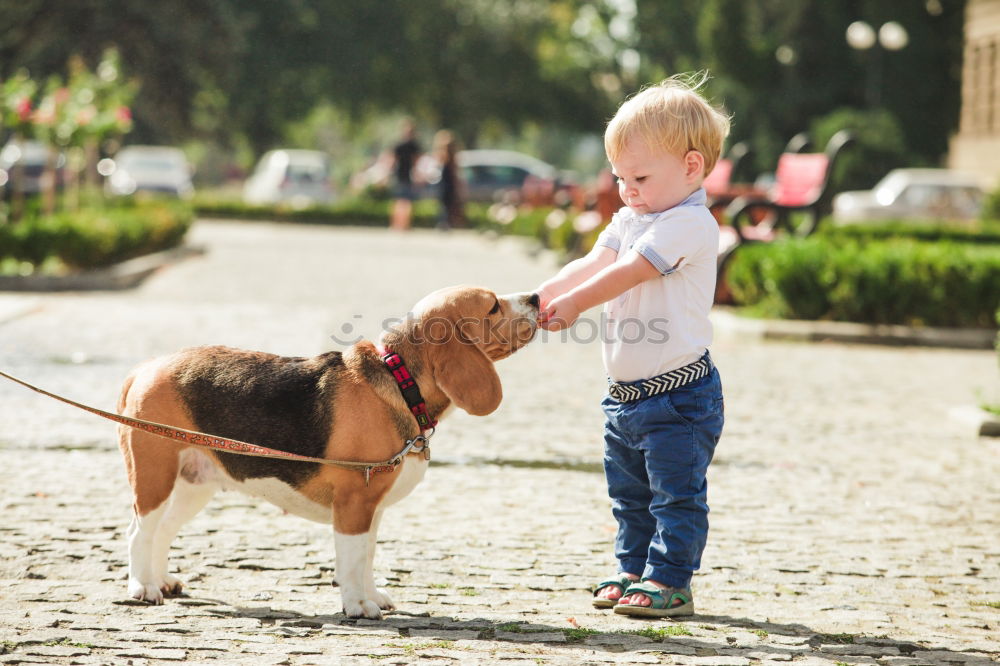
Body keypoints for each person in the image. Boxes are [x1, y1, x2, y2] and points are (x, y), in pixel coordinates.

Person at [535, 73, 729, 618]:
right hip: (624, 397)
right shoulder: (631, 216)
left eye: (639, 176)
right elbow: (595, 263)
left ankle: (670, 579)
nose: (628, 189)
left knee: (675, 496)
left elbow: (628, 273)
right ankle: (633, 567)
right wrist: (538, 296)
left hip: (679, 396)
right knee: (630, 496)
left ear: (691, 166)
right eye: (620, 177)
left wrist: (576, 306)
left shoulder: (690, 224)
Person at [390, 120, 423, 231]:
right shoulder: (406, 146)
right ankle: (399, 224)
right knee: (401, 201)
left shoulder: (409, 145)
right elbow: (394, 161)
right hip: (401, 175)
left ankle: (402, 224)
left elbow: (415, 162)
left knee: (404, 201)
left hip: (406, 175)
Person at [432, 130, 465, 230]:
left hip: (447, 184)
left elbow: (454, 172)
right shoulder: (443, 155)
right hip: (445, 183)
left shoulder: (450, 156)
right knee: (445, 204)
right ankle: (444, 222)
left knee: (447, 204)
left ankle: (445, 223)